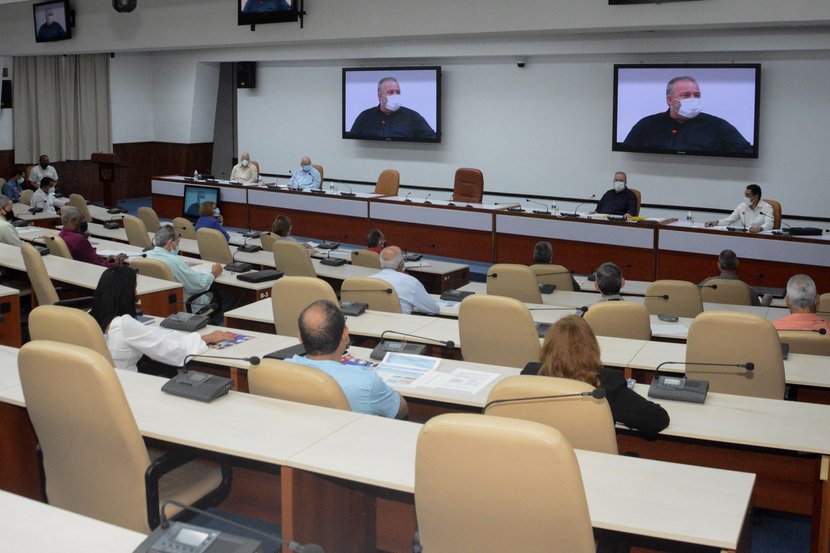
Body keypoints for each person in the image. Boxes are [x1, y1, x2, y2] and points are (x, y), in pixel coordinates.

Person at [524, 315, 670, 435]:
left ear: (548, 346)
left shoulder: (528, 375)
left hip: (540, 458)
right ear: (592, 347)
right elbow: (658, 419)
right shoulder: (607, 385)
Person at [89, 266, 236, 372]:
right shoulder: (124, 324)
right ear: (126, 293)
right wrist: (205, 338)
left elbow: (144, 335)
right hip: (127, 387)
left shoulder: (89, 316)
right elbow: (169, 351)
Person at [286, 299, 408, 418]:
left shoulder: (281, 370)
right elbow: (401, 411)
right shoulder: (367, 382)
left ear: (300, 337)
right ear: (345, 334)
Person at [622, 75, 753, 154]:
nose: (693, 99)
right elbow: (627, 151)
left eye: (697, 95)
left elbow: (746, 151)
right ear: (670, 100)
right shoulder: (647, 125)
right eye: (685, 95)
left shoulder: (718, 126)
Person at [145, 224, 222, 306]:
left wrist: (184, 265)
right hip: (185, 302)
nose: (178, 246)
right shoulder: (175, 262)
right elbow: (199, 285)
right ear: (171, 242)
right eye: (177, 243)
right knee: (225, 295)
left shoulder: (145, 255)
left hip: (154, 301)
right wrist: (214, 273)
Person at [348, 76, 436, 140]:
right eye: (390, 92)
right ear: (379, 96)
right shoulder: (365, 116)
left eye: (398, 92)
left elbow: (431, 138)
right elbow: (351, 141)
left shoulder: (413, 117)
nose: (395, 95)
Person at [369, 246, 439, 315]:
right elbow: (433, 309)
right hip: (400, 325)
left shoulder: (367, 281)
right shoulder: (411, 282)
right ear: (401, 264)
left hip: (373, 324)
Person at [58, 206, 127, 267]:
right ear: (74, 221)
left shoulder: (61, 234)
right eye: (82, 219)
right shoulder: (79, 239)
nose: (84, 221)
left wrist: (107, 260)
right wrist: (117, 263)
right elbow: (98, 265)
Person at [699, 249, 763, 306]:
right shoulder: (748, 290)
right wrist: (765, 303)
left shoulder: (705, 285)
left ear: (719, 265)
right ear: (737, 263)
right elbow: (759, 312)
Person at [704, 184, 774, 233]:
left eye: (747, 195)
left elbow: (769, 224)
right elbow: (729, 220)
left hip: (761, 236)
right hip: (745, 236)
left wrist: (760, 228)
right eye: (745, 194)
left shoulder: (767, 207)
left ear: (755, 197)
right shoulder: (742, 206)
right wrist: (715, 222)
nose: (745, 197)